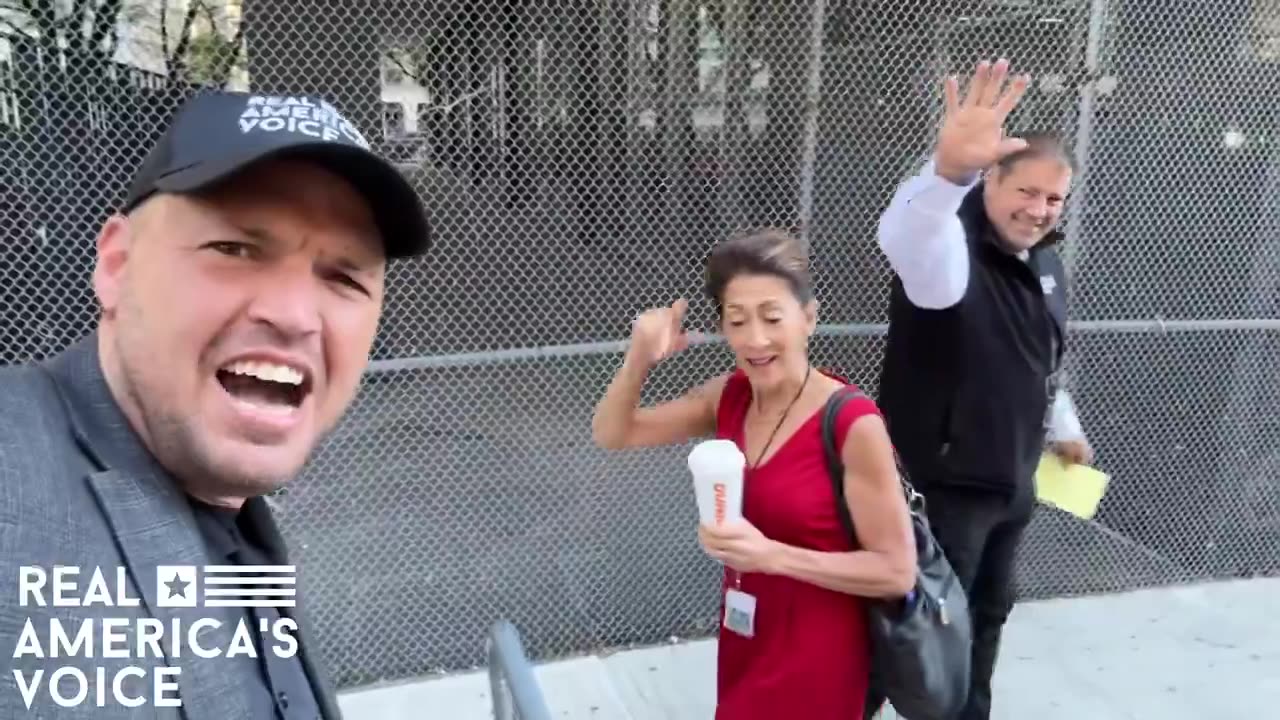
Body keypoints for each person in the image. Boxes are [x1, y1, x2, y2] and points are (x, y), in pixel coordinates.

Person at [0, 91, 431, 719]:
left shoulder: (229, 506)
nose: (291, 316)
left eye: (344, 277)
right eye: (234, 249)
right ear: (116, 263)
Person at [591, 229, 917, 720]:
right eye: (737, 320)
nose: (755, 339)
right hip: (747, 636)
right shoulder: (732, 396)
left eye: (772, 317)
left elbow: (895, 571)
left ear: (808, 318)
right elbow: (615, 433)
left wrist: (772, 556)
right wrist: (640, 358)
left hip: (819, 656)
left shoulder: (852, 423)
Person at [873, 58, 1093, 720]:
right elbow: (907, 235)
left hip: (1011, 483)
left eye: (1053, 199)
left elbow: (1042, 358)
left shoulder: (1044, 263)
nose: (1039, 210)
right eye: (1027, 192)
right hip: (943, 487)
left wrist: (1063, 428)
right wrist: (945, 175)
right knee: (922, 631)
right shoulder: (949, 250)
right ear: (991, 180)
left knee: (985, 621)